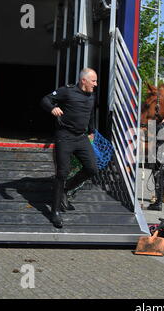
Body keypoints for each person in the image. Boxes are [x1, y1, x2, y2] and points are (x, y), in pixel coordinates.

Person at [40, 68, 99, 228]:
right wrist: (52, 108)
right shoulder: (67, 91)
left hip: (81, 137)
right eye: (93, 81)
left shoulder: (91, 95)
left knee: (92, 169)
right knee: (62, 172)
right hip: (65, 136)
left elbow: (90, 113)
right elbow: (45, 99)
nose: (96, 84)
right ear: (83, 80)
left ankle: (66, 189)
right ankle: (55, 211)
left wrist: (92, 131)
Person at [147, 118, 164, 211]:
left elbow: (154, 141)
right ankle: (159, 201)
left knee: (158, 178)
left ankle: (158, 203)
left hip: (159, 154)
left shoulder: (158, 125)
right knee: (161, 178)